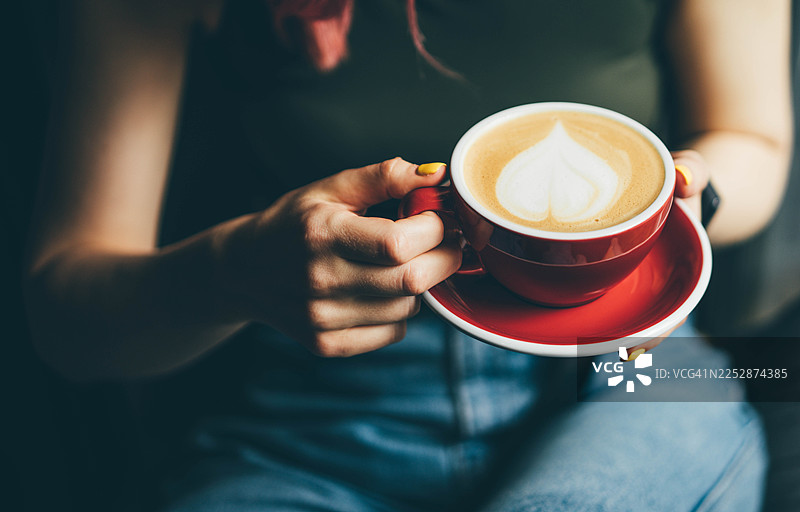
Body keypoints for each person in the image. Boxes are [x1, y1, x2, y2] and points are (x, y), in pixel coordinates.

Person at [23, 0, 792, 510]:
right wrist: (232, 272)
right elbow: (65, 321)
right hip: (310, 421)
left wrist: (690, 196)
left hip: (630, 368)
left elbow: (752, 138)